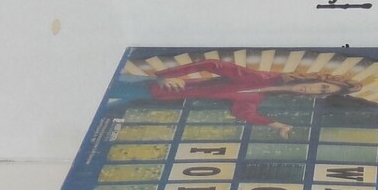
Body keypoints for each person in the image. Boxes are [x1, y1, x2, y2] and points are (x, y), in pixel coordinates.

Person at [117, 58, 363, 137]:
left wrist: (275, 124)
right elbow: (212, 64)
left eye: (322, 93)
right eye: (321, 86)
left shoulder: (261, 96)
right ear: (315, 79)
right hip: (150, 87)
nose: (315, 91)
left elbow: (242, 111)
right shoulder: (263, 79)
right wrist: (166, 75)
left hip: (159, 99)